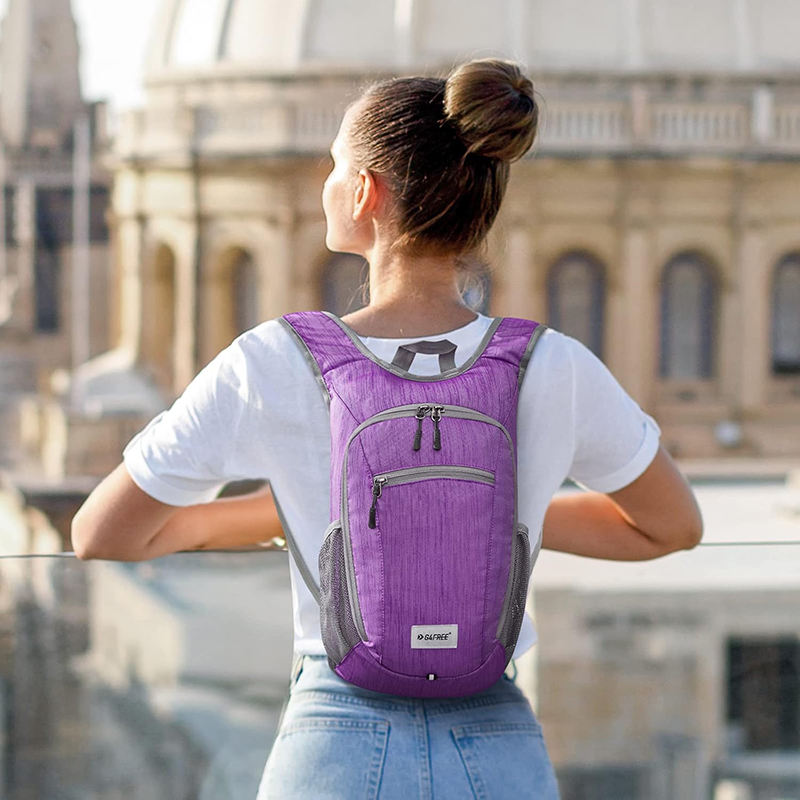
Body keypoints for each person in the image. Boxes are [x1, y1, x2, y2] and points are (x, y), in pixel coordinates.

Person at [71, 58, 703, 799]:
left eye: (335, 164)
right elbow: (673, 528)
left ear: (365, 191)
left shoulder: (272, 361)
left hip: (334, 739)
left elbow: (100, 533)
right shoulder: (554, 365)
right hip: (495, 742)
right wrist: (485, 516)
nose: (326, 181)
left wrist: (304, 517)